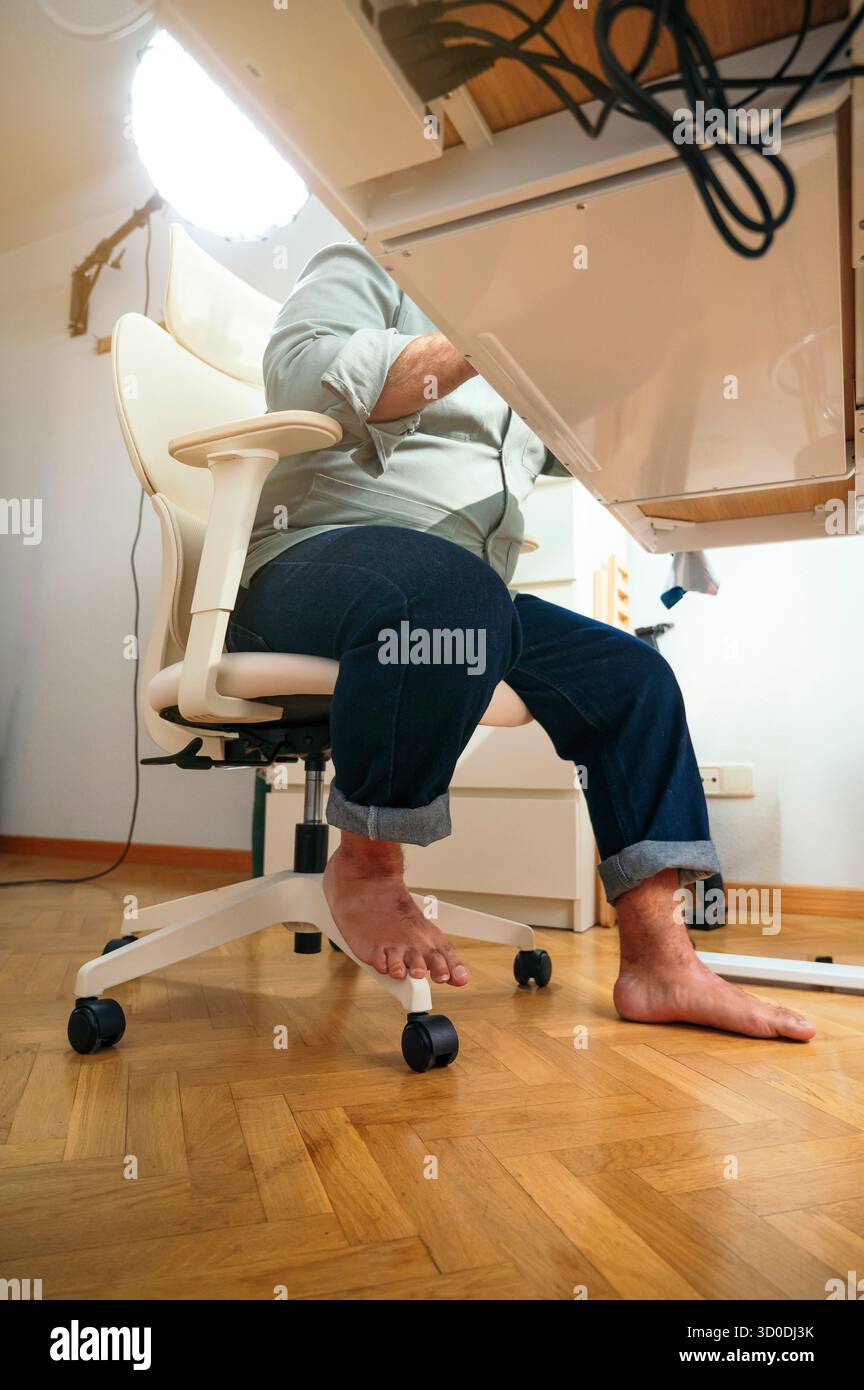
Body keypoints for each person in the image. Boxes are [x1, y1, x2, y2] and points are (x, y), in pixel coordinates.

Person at [228, 242, 814, 1042]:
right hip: (312, 564)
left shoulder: (544, 366)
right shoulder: (374, 262)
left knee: (632, 677)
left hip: (459, 597)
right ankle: (366, 864)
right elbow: (297, 381)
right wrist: (491, 340)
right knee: (453, 595)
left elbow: (608, 456)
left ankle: (659, 962)